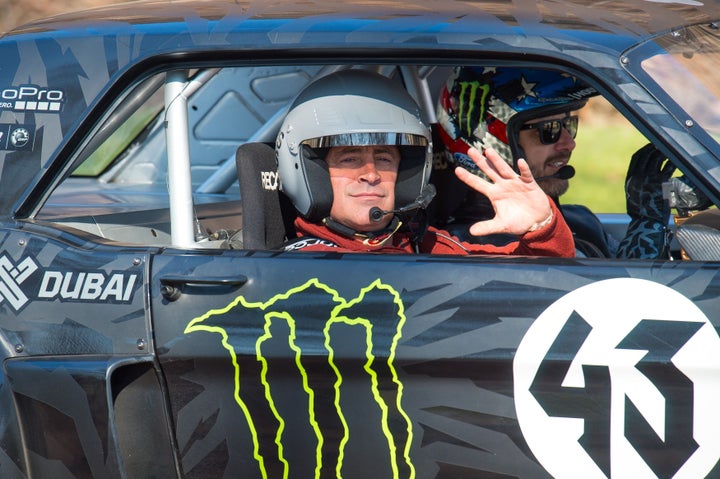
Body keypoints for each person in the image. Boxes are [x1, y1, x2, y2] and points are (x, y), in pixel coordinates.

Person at [274, 69, 574, 257]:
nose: (371, 174)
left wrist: (541, 226)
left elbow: (536, 288)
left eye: (384, 158)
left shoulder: (429, 246)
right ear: (312, 173)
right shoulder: (298, 269)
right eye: (349, 159)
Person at [433, 66, 681, 258]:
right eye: (549, 129)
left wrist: (646, 224)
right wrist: (646, 227)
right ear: (489, 140)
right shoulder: (471, 246)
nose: (568, 143)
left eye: (568, 124)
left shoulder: (581, 220)